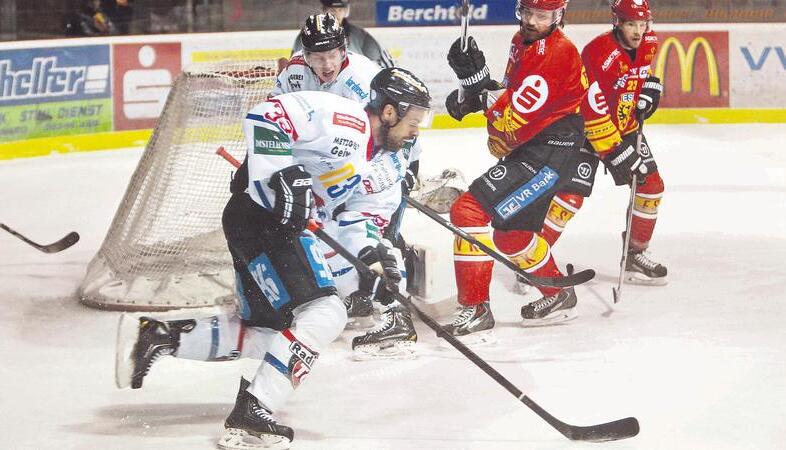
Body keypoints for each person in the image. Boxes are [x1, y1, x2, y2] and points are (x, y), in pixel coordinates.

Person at [115, 67, 431, 449]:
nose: (417, 131)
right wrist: (280, 173)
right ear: (390, 112)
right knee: (326, 313)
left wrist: (375, 260)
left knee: (270, 336)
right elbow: (266, 115)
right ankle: (254, 410)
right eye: (414, 121)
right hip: (261, 218)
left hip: (266, 228)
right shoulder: (344, 120)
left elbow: (360, 219)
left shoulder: (385, 163)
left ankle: (158, 337)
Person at [441, 0, 597, 343]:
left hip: (548, 151)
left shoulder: (557, 53)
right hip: (539, 144)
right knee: (512, 237)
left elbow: (510, 118)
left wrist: (476, 86)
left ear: (559, 17)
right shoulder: (522, 41)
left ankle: (476, 308)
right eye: (526, 12)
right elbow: (512, 98)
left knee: (468, 211)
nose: (531, 20)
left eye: (541, 15)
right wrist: (477, 89)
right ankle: (558, 294)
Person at [275, 13, 424, 358]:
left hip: (371, 166)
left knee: (362, 229)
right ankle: (358, 290)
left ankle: (396, 309)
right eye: (317, 57)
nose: (326, 65)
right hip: (322, 171)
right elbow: (277, 121)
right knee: (319, 235)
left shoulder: (365, 78)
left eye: (332, 55)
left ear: (344, 49)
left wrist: (407, 167)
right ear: (305, 54)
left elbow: (402, 129)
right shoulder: (293, 74)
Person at [579, 0, 667, 285]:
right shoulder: (597, 52)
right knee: (566, 197)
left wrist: (650, 89)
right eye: (631, 24)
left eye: (642, 24)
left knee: (651, 187)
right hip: (589, 130)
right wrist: (613, 150)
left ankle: (634, 253)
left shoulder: (649, 41)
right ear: (616, 21)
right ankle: (530, 258)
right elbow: (588, 102)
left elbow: (642, 73)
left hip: (626, 127)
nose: (638, 32)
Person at [291, 0, 395, 69]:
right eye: (332, 10)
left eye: (340, 10)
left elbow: (387, 66)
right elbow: (295, 66)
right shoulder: (308, 35)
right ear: (324, 10)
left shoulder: (360, 36)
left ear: (346, 11)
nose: (336, 14)